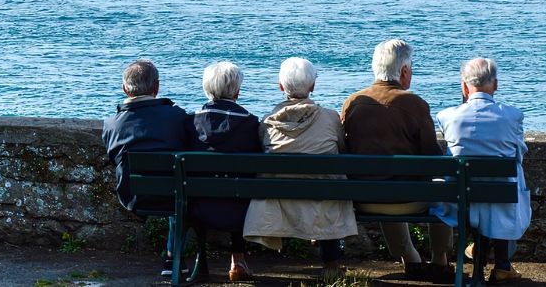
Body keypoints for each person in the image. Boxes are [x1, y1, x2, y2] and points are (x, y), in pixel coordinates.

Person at [341, 39, 454, 281]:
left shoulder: (352, 103)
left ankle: (410, 258)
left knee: (382, 182)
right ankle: (440, 260)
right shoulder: (414, 104)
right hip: (409, 200)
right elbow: (433, 158)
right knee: (442, 188)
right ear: (403, 71)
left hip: (364, 199)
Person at [243, 57, 358, 281]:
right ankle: (331, 265)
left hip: (280, 201)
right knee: (328, 189)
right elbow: (342, 151)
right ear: (313, 86)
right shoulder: (331, 118)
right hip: (325, 199)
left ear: (280, 87)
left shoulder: (267, 123)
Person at [435, 58, 531, 284]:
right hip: (500, 197)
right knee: (504, 186)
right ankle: (502, 265)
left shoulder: (447, 116)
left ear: (464, 86)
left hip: (460, 199)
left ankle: (484, 259)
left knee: (480, 196)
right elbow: (519, 155)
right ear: (495, 85)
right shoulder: (512, 116)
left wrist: (463, 99)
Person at [100, 59, 191, 279]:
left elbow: (114, 158)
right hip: (174, 195)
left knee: (174, 185)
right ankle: (173, 257)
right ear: (156, 87)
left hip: (133, 196)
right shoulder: (178, 117)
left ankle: (172, 257)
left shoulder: (112, 123)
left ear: (124, 88)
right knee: (179, 186)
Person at [186, 61, 263, 283]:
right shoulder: (250, 123)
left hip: (198, 206)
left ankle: (201, 260)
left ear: (206, 89)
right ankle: (237, 259)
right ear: (237, 91)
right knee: (239, 187)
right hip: (241, 209)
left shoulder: (190, 122)